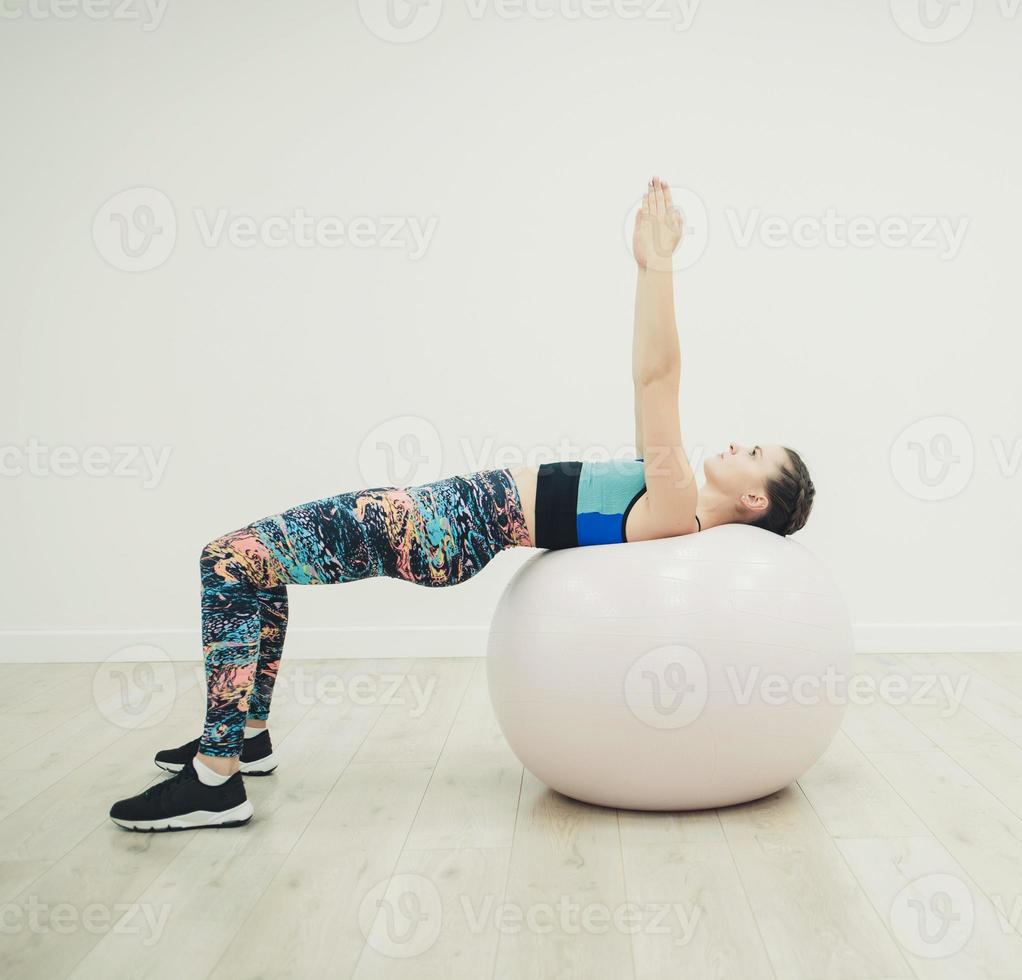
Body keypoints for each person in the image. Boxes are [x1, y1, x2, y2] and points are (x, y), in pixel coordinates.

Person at [108, 178, 815, 832]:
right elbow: (649, 392)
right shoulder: (670, 499)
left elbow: (655, 378)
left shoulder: (678, 502)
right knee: (254, 568)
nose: (736, 443)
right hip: (444, 519)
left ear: (754, 498)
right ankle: (245, 737)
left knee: (227, 561)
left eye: (754, 452)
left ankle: (214, 778)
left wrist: (654, 266)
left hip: (437, 524)